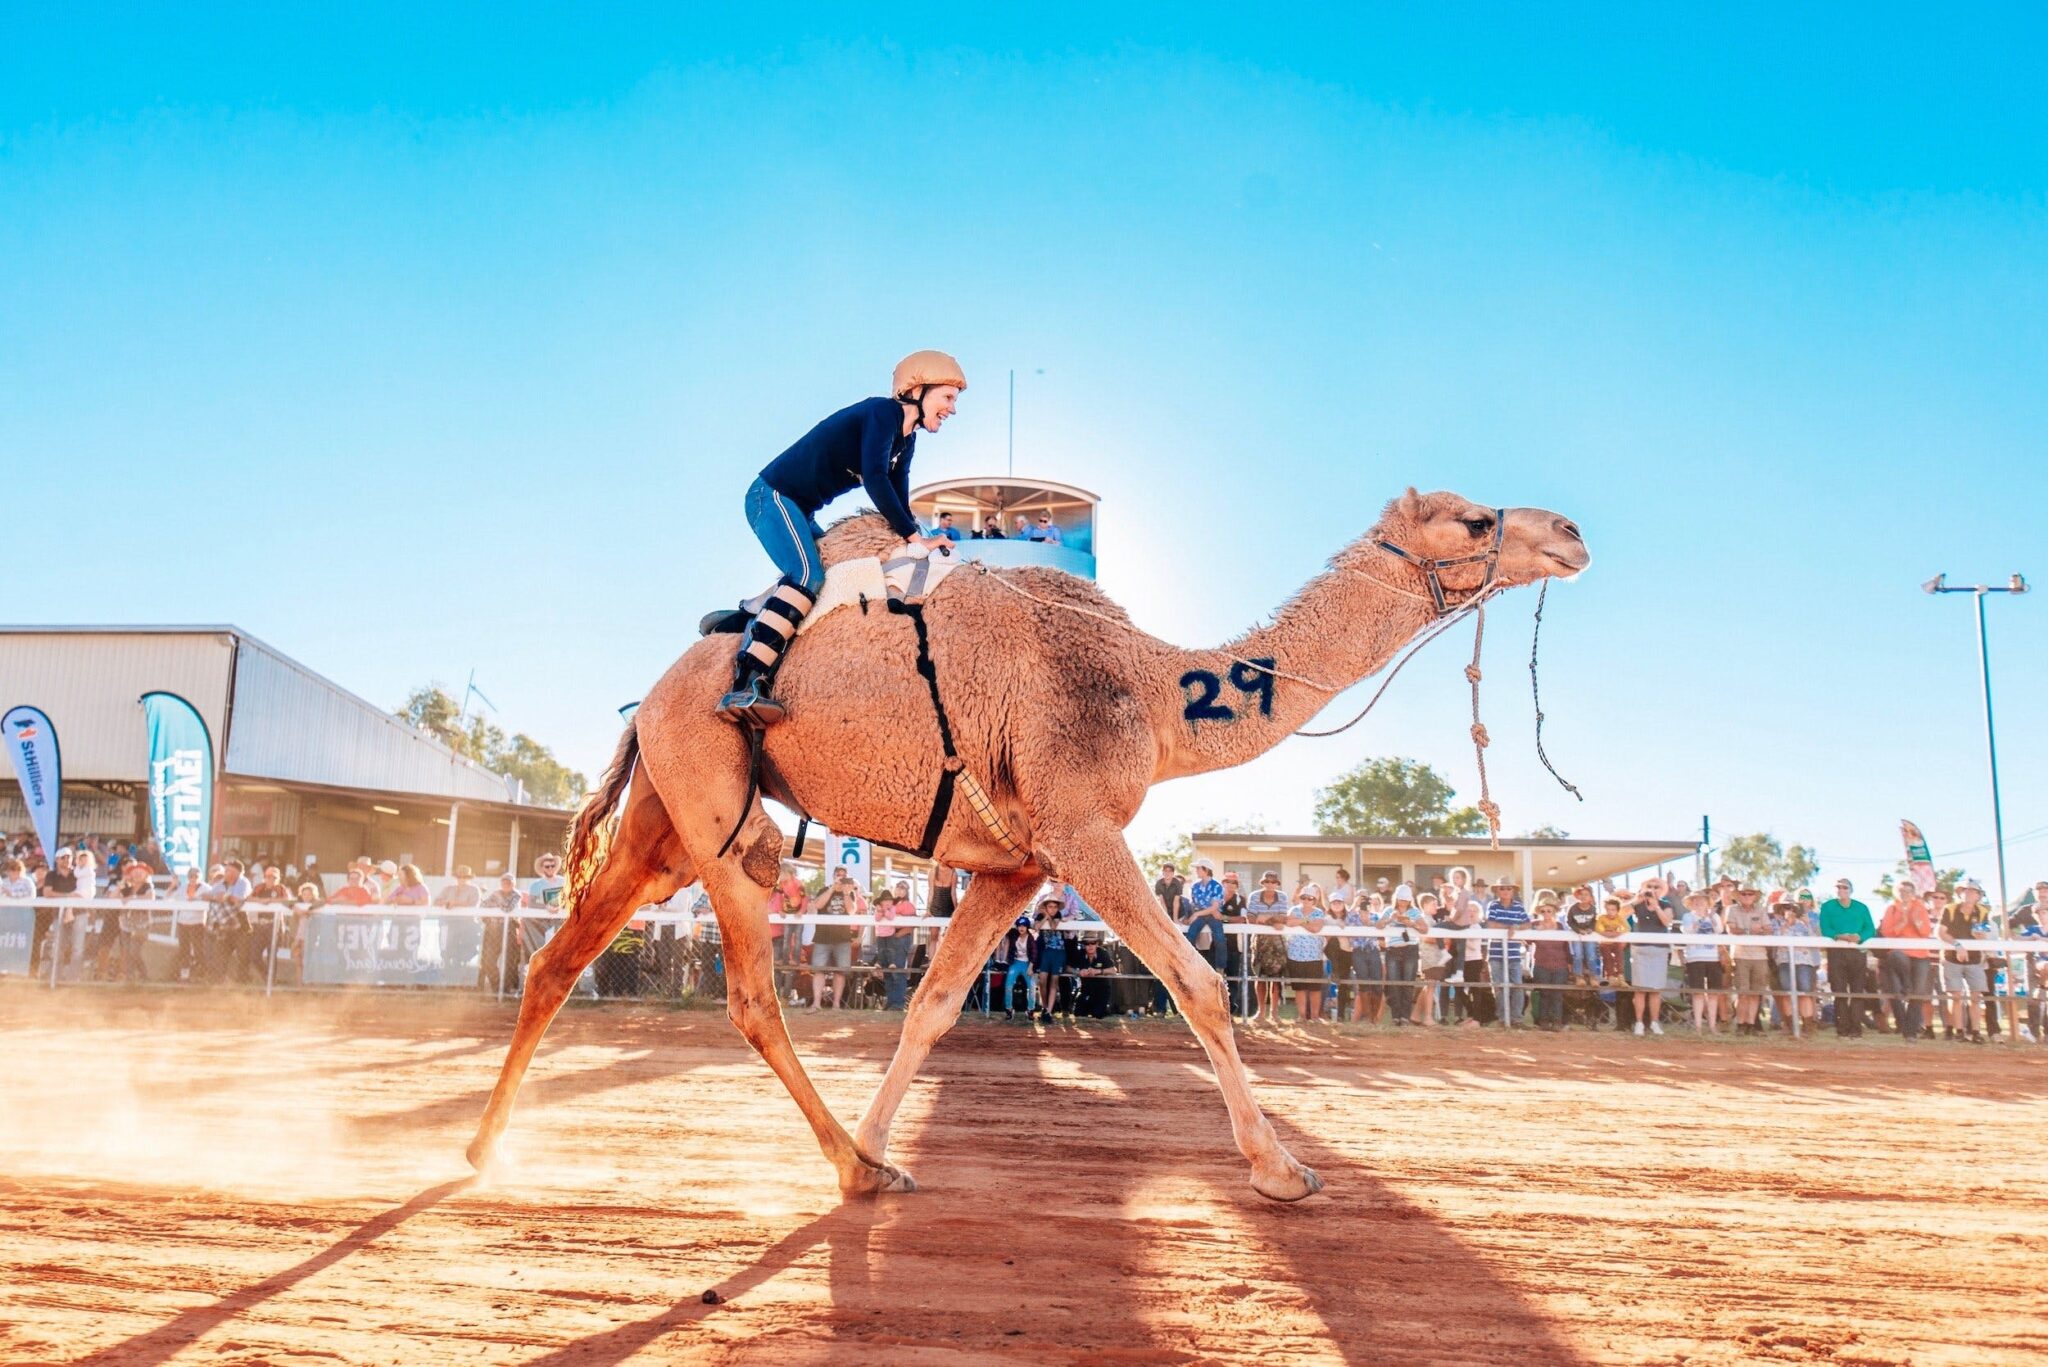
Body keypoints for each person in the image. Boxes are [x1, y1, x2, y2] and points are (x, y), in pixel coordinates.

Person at [717, 350, 966, 725]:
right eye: (947, 397)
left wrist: (922, 538)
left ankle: (738, 621)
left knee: (827, 571)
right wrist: (917, 537)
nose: (953, 409)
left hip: (799, 508)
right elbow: (876, 479)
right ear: (918, 389)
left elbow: (898, 496)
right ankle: (745, 682)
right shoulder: (884, 413)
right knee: (807, 577)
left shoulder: (906, 441)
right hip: (772, 498)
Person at [1819, 878, 1877, 1037]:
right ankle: (1842, 1029)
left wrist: (1859, 937)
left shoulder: (1861, 907)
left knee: (1857, 991)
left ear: (1851, 890)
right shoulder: (1827, 906)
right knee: (1839, 991)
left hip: (1858, 953)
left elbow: (1870, 929)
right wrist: (1839, 936)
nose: (1841, 890)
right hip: (1836, 953)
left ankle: (1856, 1029)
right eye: (1838, 887)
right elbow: (1825, 928)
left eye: (1845, 887)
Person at [1878, 884, 1936, 1039]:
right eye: (1901, 891)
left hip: (1920, 954)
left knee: (1918, 993)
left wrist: (1916, 922)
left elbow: (1925, 932)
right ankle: (1907, 984)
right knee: (1896, 959)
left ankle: (1910, 1032)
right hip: (1899, 953)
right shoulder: (1891, 909)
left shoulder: (1920, 908)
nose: (1904, 894)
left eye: (1908, 891)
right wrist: (1902, 923)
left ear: (1913, 893)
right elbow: (1886, 933)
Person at [806, 866, 865, 1010]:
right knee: (818, 970)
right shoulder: (824, 890)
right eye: (838, 875)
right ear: (833, 876)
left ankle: (836, 1004)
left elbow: (851, 911)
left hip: (843, 938)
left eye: (843, 875)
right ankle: (816, 1003)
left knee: (840, 971)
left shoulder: (849, 893)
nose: (840, 877)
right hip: (822, 938)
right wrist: (833, 889)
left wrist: (845, 893)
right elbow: (817, 905)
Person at [1937, 886, 1989, 1043]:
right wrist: (1958, 945)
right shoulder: (1950, 909)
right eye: (1965, 891)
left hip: (1974, 959)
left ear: (1978, 896)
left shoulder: (1982, 911)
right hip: (1951, 957)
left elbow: (1983, 935)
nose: (1967, 894)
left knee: (1976, 995)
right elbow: (1940, 932)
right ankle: (1959, 1031)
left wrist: (1978, 937)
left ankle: (1976, 1031)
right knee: (1956, 995)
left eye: (1972, 892)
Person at [1726, 886, 1775, 1036]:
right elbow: (1731, 929)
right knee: (1743, 992)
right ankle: (1741, 1024)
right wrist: (1750, 931)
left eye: (1750, 894)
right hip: (1741, 955)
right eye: (1743, 894)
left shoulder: (1760, 910)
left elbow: (1768, 929)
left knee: (1756, 993)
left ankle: (1751, 1024)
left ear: (1754, 896)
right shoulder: (1732, 910)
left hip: (1760, 955)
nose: (1747, 896)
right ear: (1739, 896)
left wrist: (1753, 931)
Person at [1483, 878, 1530, 1027]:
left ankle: (1516, 1018)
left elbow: (1527, 924)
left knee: (1517, 986)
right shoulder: (1493, 905)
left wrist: (1514, 927)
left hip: (1514, 953)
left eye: (1508, 889)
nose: (1506, 891)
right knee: (1499, 987)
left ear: (1513, 891)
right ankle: (1503, 1018)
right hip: (1496, 953)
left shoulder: (1518, 907)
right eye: (1502, 888)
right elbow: (1490, 924)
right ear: (1498, 891)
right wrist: (1510, 927)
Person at [1247, 871, 1291, 1024]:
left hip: (1277, 941)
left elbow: (1283, 918)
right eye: (1267, 882)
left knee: (1277, 978)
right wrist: (1273, 920)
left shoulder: (1282, 897)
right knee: (1260, 976)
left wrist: (1266, 918)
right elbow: (1251, 918)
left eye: (1273, 882)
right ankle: (1261, 1012)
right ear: (1263, 883)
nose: (1270, 884)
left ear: (1277, 884)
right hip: (1259, 941)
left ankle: (1274, 1013)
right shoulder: (1254, 896)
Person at [1678, 892, 1725, 1033]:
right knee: (1697, 992)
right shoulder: (1688, 916)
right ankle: (1698, 1026)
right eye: (1695, 901)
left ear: (1707, 902)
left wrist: (1710, 917)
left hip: (1712, 957)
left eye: (1701, 900)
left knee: (1713, 993)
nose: (1698, 903)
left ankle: (1712, 1025)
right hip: (1695, 957)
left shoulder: (1714, 916)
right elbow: (1687, 931)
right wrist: (1700, 920)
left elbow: (1719, 930)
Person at [1628, 889, 1672, 1036]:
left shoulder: (1665, 904)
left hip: (1659, 950)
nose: (1651, 891)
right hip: (1640, 949)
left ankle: (1654, 1022)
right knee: (1640, 989)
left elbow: (1667, 921)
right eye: (1649, 888)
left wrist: (1656, 906)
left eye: (1655, 887)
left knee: (1655, 989)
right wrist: (1636, 899)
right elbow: (1621, 913)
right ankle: (1639, 1023)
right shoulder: (1638, 904)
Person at [1284, 883, 1330, 1022]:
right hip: (1295, 954)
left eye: (1310, 898)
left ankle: (1315, 1017)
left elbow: (1316, 928)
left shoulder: (1319, 912)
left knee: (1315, 988)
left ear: (1314, 900)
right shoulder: (1294, 909)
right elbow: (1289, 922)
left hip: (1314, 955)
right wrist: (1306, 921)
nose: (1306, 900)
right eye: (1304, 897)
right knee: (1300, 987)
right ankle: (1302, 1016)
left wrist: (1301, 922)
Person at [1528, 898, 1572, 1030]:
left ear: (1554, 912)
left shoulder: (1559, 926)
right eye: (1543, 911)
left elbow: (1566, 946)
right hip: (1541, 964)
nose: (1546, 913)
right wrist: (1536, 932)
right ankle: (1543, 1021)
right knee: (1544, 993)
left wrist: (1570, 963)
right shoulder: (1534, 924)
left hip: (1560, 964)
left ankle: (1557, 1021)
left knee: (1557, 994)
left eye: (1549, 911)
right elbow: (1526, 941)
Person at [874, 881, 914, 1011]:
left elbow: (911, 925)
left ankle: (897, 1003)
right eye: (898, 887)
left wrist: (897, 936)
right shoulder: (891, 904)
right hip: (888, 938)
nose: (900, 891)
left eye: (903, 888)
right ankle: (891, 1001)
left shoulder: (908, 905)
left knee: (897, 971)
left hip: (899, 938)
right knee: (888, 971)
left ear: (907, 891)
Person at [1413, 893, 1452, 1026]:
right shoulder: (1425, 920)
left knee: (1429, 986)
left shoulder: (1432, 920)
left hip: (1435, 958)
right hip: (1430, 958)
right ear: (1424, 906)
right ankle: (1428, 1017)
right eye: (1433, 904)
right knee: (1430, 986)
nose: (1436, 906)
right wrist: (1442, 940)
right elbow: (1426, 938)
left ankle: (1416, 1015)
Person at [479, 874, 522, 993]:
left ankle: (508, 990)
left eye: (509, 882)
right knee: (488, 960)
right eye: (504, 882)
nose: (506, 884)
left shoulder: (516, 894)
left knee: (510, 961)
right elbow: (483, 905)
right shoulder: (495, 893)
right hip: (494, 930)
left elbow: (508, 908)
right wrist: (497, 905)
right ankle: (497, 987)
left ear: (513, 884)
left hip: (510, 929)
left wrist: (495, 904)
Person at [1184, 860, 1226, 974]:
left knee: (1219, 938)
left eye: (1198, 869)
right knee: (1190, 937)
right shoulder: (1195, 886)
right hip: (1206, 913)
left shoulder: (1216, 886)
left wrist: (1196, 914)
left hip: (1206, 914)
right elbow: (1197, 904)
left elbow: (1214, 907)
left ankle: (1220, 968)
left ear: (1206, 870)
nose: (1196, 871)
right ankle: (1189, 964)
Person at [1033, 898, 1069, 1021]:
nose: (1053, 909)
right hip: (1047, 952)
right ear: (1046, 907)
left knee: (1054, 981)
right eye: (1050, 907)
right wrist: (1045, 916)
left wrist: (1048, 916)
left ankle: (1048, 1011)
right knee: (1042, 980)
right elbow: (1036, 927)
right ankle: (1045, 1007)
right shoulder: (1040, 916)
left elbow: (1054, 926)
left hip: (1059, 952)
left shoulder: (1058, 915)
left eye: (1055, 907)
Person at [997, 914, 1038, 1018]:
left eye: (1024, 926)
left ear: (1027, 927)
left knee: (1032, 986)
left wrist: (1030, 967)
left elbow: (1034, 953)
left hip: (1027, 964)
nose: (1021, 928)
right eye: (1019, 925)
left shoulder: (1030, 938)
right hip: (1015, 962)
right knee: (1008, 985)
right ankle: (1009, 1009)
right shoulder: (1013, 934)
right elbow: (1004, 928)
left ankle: (1030, 1009)